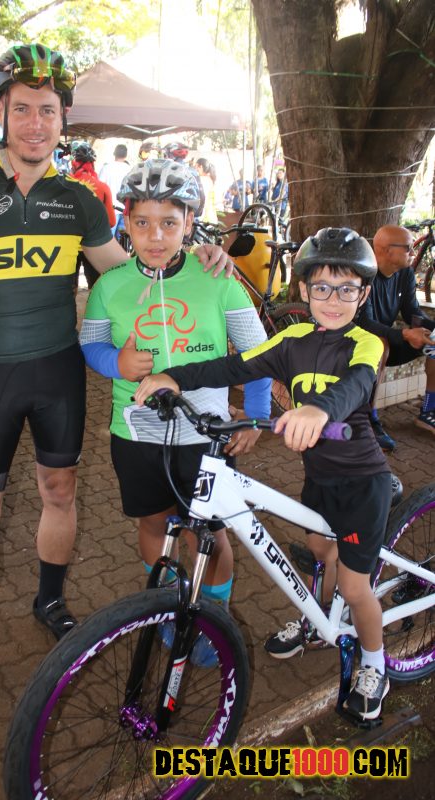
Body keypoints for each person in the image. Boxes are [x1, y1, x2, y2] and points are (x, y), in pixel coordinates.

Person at [0, 43, 231, 712]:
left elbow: (135, 271)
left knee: (60, 491)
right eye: (22, 109)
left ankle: (50, 600)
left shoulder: (79, 201)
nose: (36, 124)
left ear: (63, 120)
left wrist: (198, 253)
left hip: (58, 373)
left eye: (48, 111)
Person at [135, 227, 392, 722]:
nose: (333, 300)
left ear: (363, 295)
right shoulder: (292, 340)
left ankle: (375, 664)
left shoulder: (366, 343)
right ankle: (317, 622)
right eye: (322, 287)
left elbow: (357, 385)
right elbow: (232, 367)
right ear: (304, 290)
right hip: (319, 479)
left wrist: (319, 410)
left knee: (355, 587)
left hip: (362, 483)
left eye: (346, 289)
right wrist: (174, 377)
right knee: (320, 554)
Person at [80, 158, 271, 667]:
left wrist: (254, 414)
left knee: (209, 532)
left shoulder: (218, 279)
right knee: (154, 522)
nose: (155, 235)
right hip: (136, 435)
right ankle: (167, 609)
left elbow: (258, 352)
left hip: (206, 437)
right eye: (142, 222)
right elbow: (91, 345)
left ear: (189, 223)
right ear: (125, 222)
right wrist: (116, 363)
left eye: (169, 222)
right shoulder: (109, 285)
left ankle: (215, 618)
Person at [358, 224, 435, 448]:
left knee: (434, 340)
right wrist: (404, 334)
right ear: (386, 250)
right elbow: (365, 324)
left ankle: (428, 410)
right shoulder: (364, 276)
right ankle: (368, 419)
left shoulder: (405, 273)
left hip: (390, 339)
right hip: (357, 345)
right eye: (408, 248)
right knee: (379, 344)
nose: (413, 252)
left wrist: (431, 328)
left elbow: (412, 312)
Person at [70, 141, 116, 289]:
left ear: (74, 163)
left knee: (69, 288)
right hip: (94, 245)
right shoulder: (103, 187)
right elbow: (111, 221)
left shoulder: (64, 185)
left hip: (68, 246)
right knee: (95, 287)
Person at [98, 143, 129, 233]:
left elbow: (99, 187)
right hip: (125, 210)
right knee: (123, 239)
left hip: (110, 210)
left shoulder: (106, 168)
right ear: (126, 155)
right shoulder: (130, 169)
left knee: (109, 238)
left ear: (114, 153)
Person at [195, 157, 218, 224]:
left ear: (200, 167)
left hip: (204, 216)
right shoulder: (210, 179)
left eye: (196, 166)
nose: (195, 169)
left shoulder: (201, 180)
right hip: (211, 216)